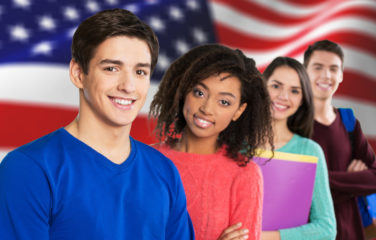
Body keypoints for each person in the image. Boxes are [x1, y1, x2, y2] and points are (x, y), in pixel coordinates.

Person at [0, 8, 194, 240]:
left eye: (140, 71)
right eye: (112, 68)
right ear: (78, 73)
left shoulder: (165, 172)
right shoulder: (29, 168)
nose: (128, 86)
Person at [149, 43, 274, 240]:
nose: (207, 108)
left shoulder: (244, 175)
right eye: (199, 93)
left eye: (224, 102)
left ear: (239, 111)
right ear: (184, 91)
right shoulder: (148, 160)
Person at [303, 39, 376, 239]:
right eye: (318, 67)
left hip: (351, 233)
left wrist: (319, 180)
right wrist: (353, 182)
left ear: (341, 75)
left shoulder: (349, 122)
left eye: (333, 68)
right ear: (304, 73)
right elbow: (296, 186)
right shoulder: (291, 124)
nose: (326, 75)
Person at [255, 57, 336, 240]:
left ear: (302, 100)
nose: (283, 96)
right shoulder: (234, 145)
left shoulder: (309, 151)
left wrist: (261, 237)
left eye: (294, 91)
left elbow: (326, 228)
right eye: (276, 86)